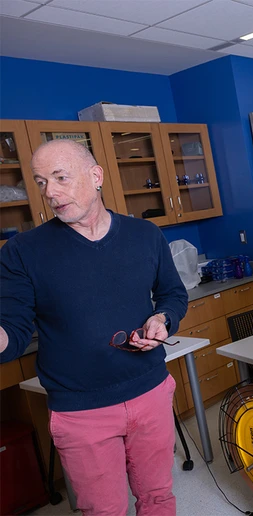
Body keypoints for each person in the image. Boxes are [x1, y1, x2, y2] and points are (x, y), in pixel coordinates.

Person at [0, 139, 188, 515]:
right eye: (41, 182)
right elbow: (12, 332)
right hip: (80, 410)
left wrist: (162, 318)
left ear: (96, 176)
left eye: (60, 177)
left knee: (158, 498)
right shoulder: (22, 252)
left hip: (150, 392)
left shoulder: (145, 234)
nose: (50, 193)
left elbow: (172, 294)